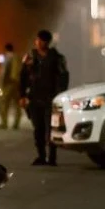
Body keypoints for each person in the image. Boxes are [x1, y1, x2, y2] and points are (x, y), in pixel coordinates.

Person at [19, 30, 69, 166]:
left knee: (51, 128)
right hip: (34, 98)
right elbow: (22, 77)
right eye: (37, 40)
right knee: (38, 128)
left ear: (47, 42)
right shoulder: (30, 57)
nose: (38, 43)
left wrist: (60, 94)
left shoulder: (57, 58)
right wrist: (22, 95)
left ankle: (52, 157)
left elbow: (63, 77)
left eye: (41, 40)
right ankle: (41, 155)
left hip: (51, 98)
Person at [0, 42, 23, 130]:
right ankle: (15, 123)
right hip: (15, 84)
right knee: (16, 104)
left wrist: (2, 84)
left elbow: (4, 73)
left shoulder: (8, 58)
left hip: (9, 84)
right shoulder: (15, 57)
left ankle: (4, 123)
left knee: (4, 103)